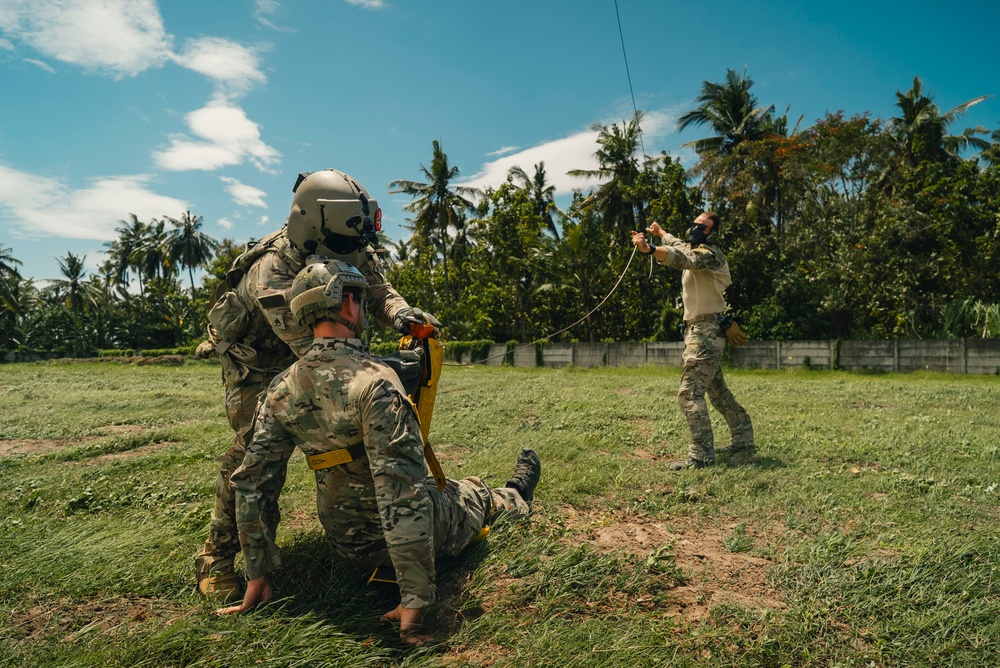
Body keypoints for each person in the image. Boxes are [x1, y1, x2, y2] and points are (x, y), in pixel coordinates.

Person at [216, 258, 540, 646]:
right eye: (362, 300)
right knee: (468, 493)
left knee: (442, 489)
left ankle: (498, 493)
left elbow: (252, 486)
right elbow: (402, 493)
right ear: (349, 304)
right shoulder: (375, 383)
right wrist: (414, 603)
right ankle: (515, 495)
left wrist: (257, 574)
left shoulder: (282, 387)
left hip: (346, 541)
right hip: (400, 538)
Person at [194, 169, 438, 601]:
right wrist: (387, 371)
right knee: (253, 448)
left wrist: (402, 314)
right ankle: (218, 556)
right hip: (258, 361)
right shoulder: (273, 271)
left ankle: (369, 524)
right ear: (312, 226)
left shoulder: (349, 241)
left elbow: (377, 289)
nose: (355, 252)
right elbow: (320, 351)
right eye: (347, 246)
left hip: (319, 347)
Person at [630, 211, 754, 470]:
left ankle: (701, 456)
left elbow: (684, 258)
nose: (696, 227)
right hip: (699, 330)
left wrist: (650, 248)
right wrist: (661, 233)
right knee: (718, 393)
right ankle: (744, 440)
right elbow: (678, 246)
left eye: (703, 226)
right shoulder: (692, 248)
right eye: (695, 222)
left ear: (713, 233)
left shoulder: (711, 255)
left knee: (689, 394)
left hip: (706, 332)